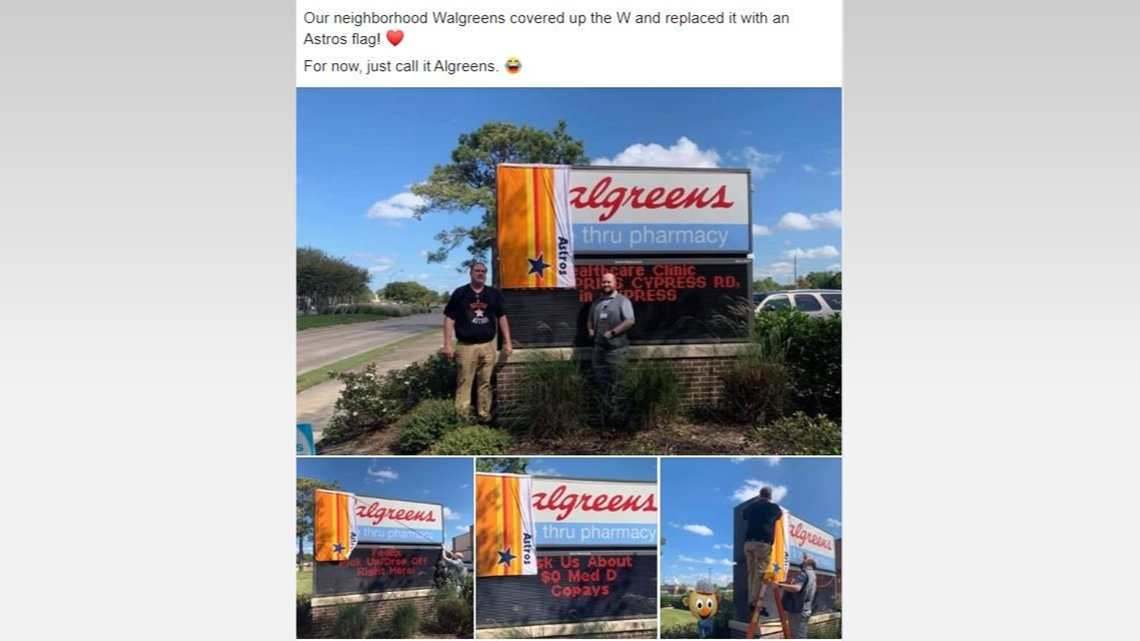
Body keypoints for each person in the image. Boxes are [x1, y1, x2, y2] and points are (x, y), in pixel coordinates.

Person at [443, 262, 512, 424]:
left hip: (488, 345)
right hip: (466, 346)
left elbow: (502, 317)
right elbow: (449, 318)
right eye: (477, 271)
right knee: (464, 382)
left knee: (485, 382)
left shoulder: (493, 294)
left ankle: (484, 416)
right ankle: (461, 418)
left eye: (483, 271)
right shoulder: (460, 293)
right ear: (471, 273)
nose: (480, 273)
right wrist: (447, 344)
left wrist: (507, 342)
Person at [587, 272, 635, 420]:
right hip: (599, 351)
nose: (606, 285)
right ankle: (604, 418)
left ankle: (623, 419)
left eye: (609, 282)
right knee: (602, 386)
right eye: (604, 282)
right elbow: (589, 319)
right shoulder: (597, 303)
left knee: (620, 385)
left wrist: (613, 332)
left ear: (615, 283)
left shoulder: (623, 301)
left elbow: (630, 320)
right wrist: (590, 329)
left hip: (617, 351)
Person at [741, 486, 783, 613]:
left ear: (760, 495)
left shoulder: (752, 507)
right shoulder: (774, 508)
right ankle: (754, 603)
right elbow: (778, 516)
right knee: (759, 574)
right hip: (763, 544)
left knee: (751, 574)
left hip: (748, 544)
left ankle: (752, 601)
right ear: (770, 496)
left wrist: (755, 502)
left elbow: (742, 514)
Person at [777, 555, 817, 638]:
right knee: (800, 635)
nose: (802, 559)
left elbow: (797, 589)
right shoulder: (812, 574)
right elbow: (803, 590)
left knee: (798, 636)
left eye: (804, 558)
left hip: (798, 610)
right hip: (804, 609)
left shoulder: (803, 573)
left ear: (808, 562)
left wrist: (779, 585)